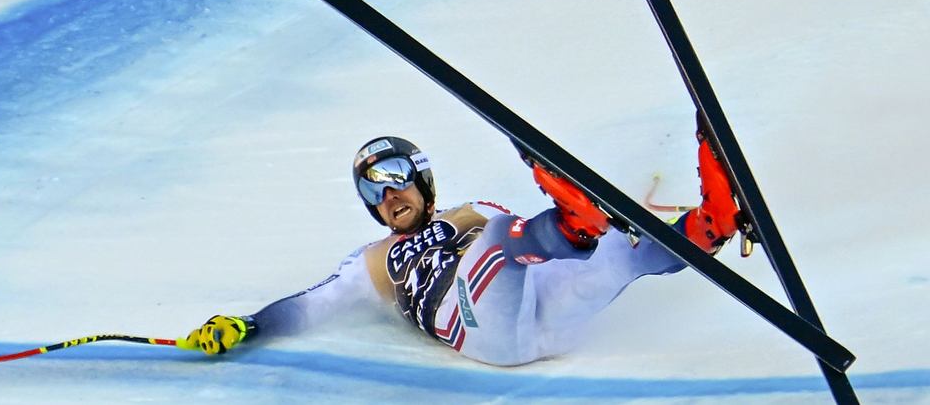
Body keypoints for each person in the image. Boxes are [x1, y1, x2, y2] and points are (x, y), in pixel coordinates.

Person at [176, 131, 740, 366]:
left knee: (619, 253)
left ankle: (710, 223)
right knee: (501, 240)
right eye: (372, 190)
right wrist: (249, 325)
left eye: (395, 178)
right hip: (478, 327)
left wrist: (609, 235)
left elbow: (542, 258)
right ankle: (579, 221)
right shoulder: (371, 263)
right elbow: (308, 306)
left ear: (422, 179)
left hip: (546, 319)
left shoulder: (474, 209)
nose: (388, 195)